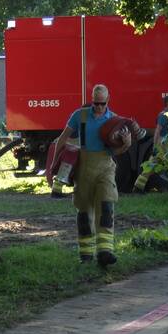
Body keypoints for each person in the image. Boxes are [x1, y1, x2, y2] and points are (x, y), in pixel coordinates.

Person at [47, 84, 131, 267]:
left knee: (106, 207)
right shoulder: (80, 115)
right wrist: (53, 165)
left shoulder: (115, 120)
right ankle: (85, 254)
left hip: (106, 166)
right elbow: (62, 138)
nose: (99, 107)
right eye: (95, 103)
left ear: (108, 100)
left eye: (102, 103)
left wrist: (126, 144)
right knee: (84, 211)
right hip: (84, 168)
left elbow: (118, 150)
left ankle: (105, 251)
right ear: (91, 99)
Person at [133, 95, 168, 192]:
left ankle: (138, 187)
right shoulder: (164, 115)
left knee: (152, 166)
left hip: (166, 143)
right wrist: (155, 146)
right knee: (156, 165)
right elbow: (158, 130)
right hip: (162, 145)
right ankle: (138, 188)